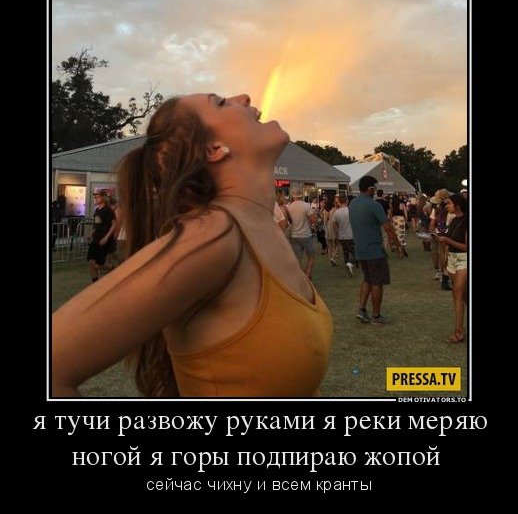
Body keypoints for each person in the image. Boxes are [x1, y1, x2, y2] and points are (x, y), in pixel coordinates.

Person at [52, 94, 333, 397]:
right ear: (213, 149)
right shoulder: (214, 235)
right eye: (220, 103)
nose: (244, 97)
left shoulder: (263, 227)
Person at [348, 176, 401, 325]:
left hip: (360, 249)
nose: (375, 191)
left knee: (367, 279)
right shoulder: (374, 205)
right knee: (377, 282)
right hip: (374, 250)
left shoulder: (353, 204)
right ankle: (376, 316)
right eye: (374, 188)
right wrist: (397, 244)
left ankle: (362, 309)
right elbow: (388, 227)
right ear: (370, 189)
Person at [435, 193, 468, 343]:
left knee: (457, 294)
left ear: (457, 204)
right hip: (453, 260)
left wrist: (447, 241)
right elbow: (450, 239)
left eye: (449, 203)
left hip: (464, 259)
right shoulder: (454, 220)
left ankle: (458, 332)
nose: (446, 206)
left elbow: (466, 246)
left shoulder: (467, 220)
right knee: (463, 296)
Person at [286, 190, 318, 280]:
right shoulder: (306, 205)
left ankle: (300, 277)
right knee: (311, 256)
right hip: (306, 235)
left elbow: (289, 221)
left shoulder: (289, 207)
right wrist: (315, 216)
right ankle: (308, 276)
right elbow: (313, 220)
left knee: (297, 258)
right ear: (301, 195)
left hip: (295, 235)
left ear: (293, 196)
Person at [86, 193, 117, 282]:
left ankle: (112, 268)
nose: (95, 199)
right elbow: (97, 225)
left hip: (103, 239)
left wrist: (106, 237)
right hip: (96, 239)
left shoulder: (108, 210)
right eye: (95, 197)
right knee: (90, 262)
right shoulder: (97, 210)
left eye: (98, 197)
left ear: (103, 198)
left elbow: (114, 224)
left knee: (98, 265)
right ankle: (95, 283)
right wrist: (91, 234)